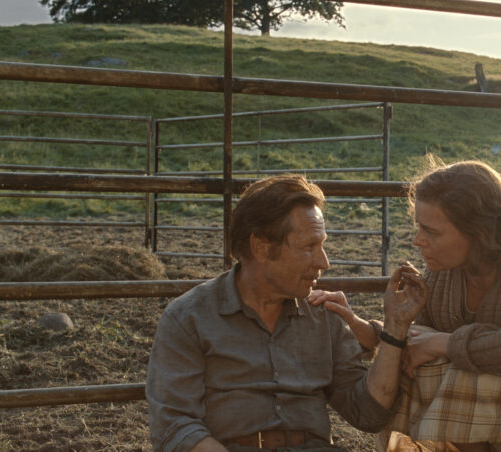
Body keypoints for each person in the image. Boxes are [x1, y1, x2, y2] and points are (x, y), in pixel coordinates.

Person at [309, 159, 501, 452]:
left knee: (464, 372)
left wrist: (445, 343)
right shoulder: (445, 270)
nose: (417, 241)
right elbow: (419, 342)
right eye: (419, 227)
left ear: (479, 233)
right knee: (430, 369)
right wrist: (363, 328)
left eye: (431, 232)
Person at [146, 174, 429, 452]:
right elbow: (175, 425)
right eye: (309, 247)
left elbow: (368, 413)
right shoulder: (189, 318)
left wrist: (395, 327)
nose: (324, 262)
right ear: (261, 248)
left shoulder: (323, 315)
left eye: (322, 244)